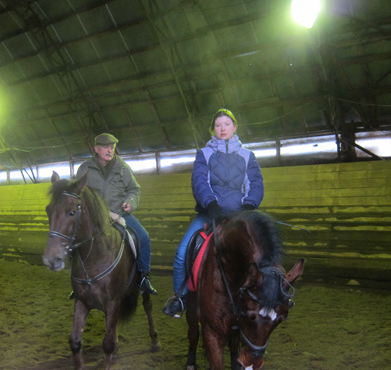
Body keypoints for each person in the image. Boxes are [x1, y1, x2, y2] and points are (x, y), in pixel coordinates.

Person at [163, 108, 264, 317]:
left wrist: (248, 206)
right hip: (210, 214)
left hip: (239, 216)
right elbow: (199, 181)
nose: (222, 128)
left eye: (226, 124)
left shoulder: (248, 156)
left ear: (234, 127)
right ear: (213, 129)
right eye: (218, 125)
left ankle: (268, 294)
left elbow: (256, 183)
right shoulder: (204, 154)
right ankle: (181, 298)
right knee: (181, 253)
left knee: (262, 251)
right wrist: (211, 205)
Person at [76, 133, 158, 296]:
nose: (110, 150)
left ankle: (143, 277)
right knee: (74, 238)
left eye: (112, 147)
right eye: (105, 147)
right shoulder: (85, 169)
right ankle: (77, 280)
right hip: (94, 217)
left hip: (120, 214)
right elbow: (78, 192)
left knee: (143, 237)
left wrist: (130, 202)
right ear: (96, 149)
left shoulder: (122, 167)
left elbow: (134, 189)